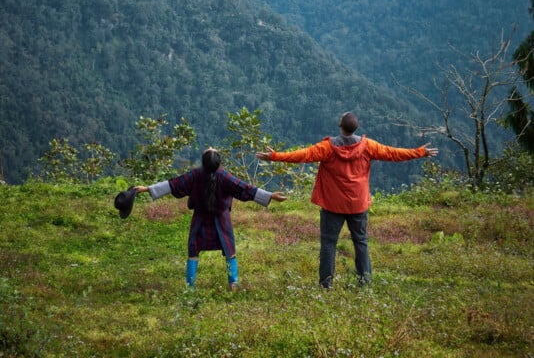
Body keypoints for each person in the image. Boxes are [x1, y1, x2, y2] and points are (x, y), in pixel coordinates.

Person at [256, 111, 438, 289]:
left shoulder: (327, 147)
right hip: (358, 204)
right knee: (361, 242)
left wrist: (275, 156)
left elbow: (302, 155)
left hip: (332, 205)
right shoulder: (367, 146)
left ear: (340, 126)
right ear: (355, 128)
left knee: (328, 243)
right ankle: (365, 282)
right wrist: (419, 152)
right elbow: (393, 153)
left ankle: (326, 284)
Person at [135, 147, 287, 290]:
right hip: (222, 220)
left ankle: (190, 286)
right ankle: (233, 283)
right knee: (229, 250)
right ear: (217, 163)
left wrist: (147, 189)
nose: (211, 147)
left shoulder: (195, 175)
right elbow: (244, 188)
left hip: (200, 219)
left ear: (204, 162)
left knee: (193, 250)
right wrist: (270, 196)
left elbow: (173, 184)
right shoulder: (224, 176)